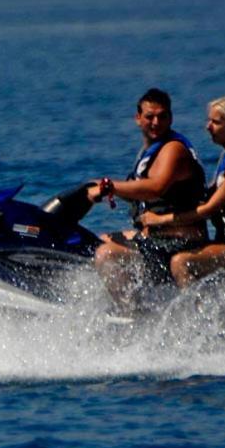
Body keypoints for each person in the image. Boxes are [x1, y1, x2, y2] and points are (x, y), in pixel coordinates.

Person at [86, 88, 207, 308]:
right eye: (150, 117)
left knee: (106, 255)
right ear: (138, 119)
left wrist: (108, 186)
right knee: (93, 241)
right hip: (157, 240)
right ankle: (131, 303)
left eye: (162, 116)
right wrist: (103, 188)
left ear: (170, 118)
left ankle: (132, 315)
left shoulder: (174, 150)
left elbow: (155, 188)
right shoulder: (149, 151)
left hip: (179, 243)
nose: (155, 122)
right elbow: (138, 194)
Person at [138, 96, 225, 286]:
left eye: (216, 122)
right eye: (208, 120)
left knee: (181, 262)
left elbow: (210, 208)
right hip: (224, 244)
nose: (208, 127)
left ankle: (194, 315)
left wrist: (161, 219)